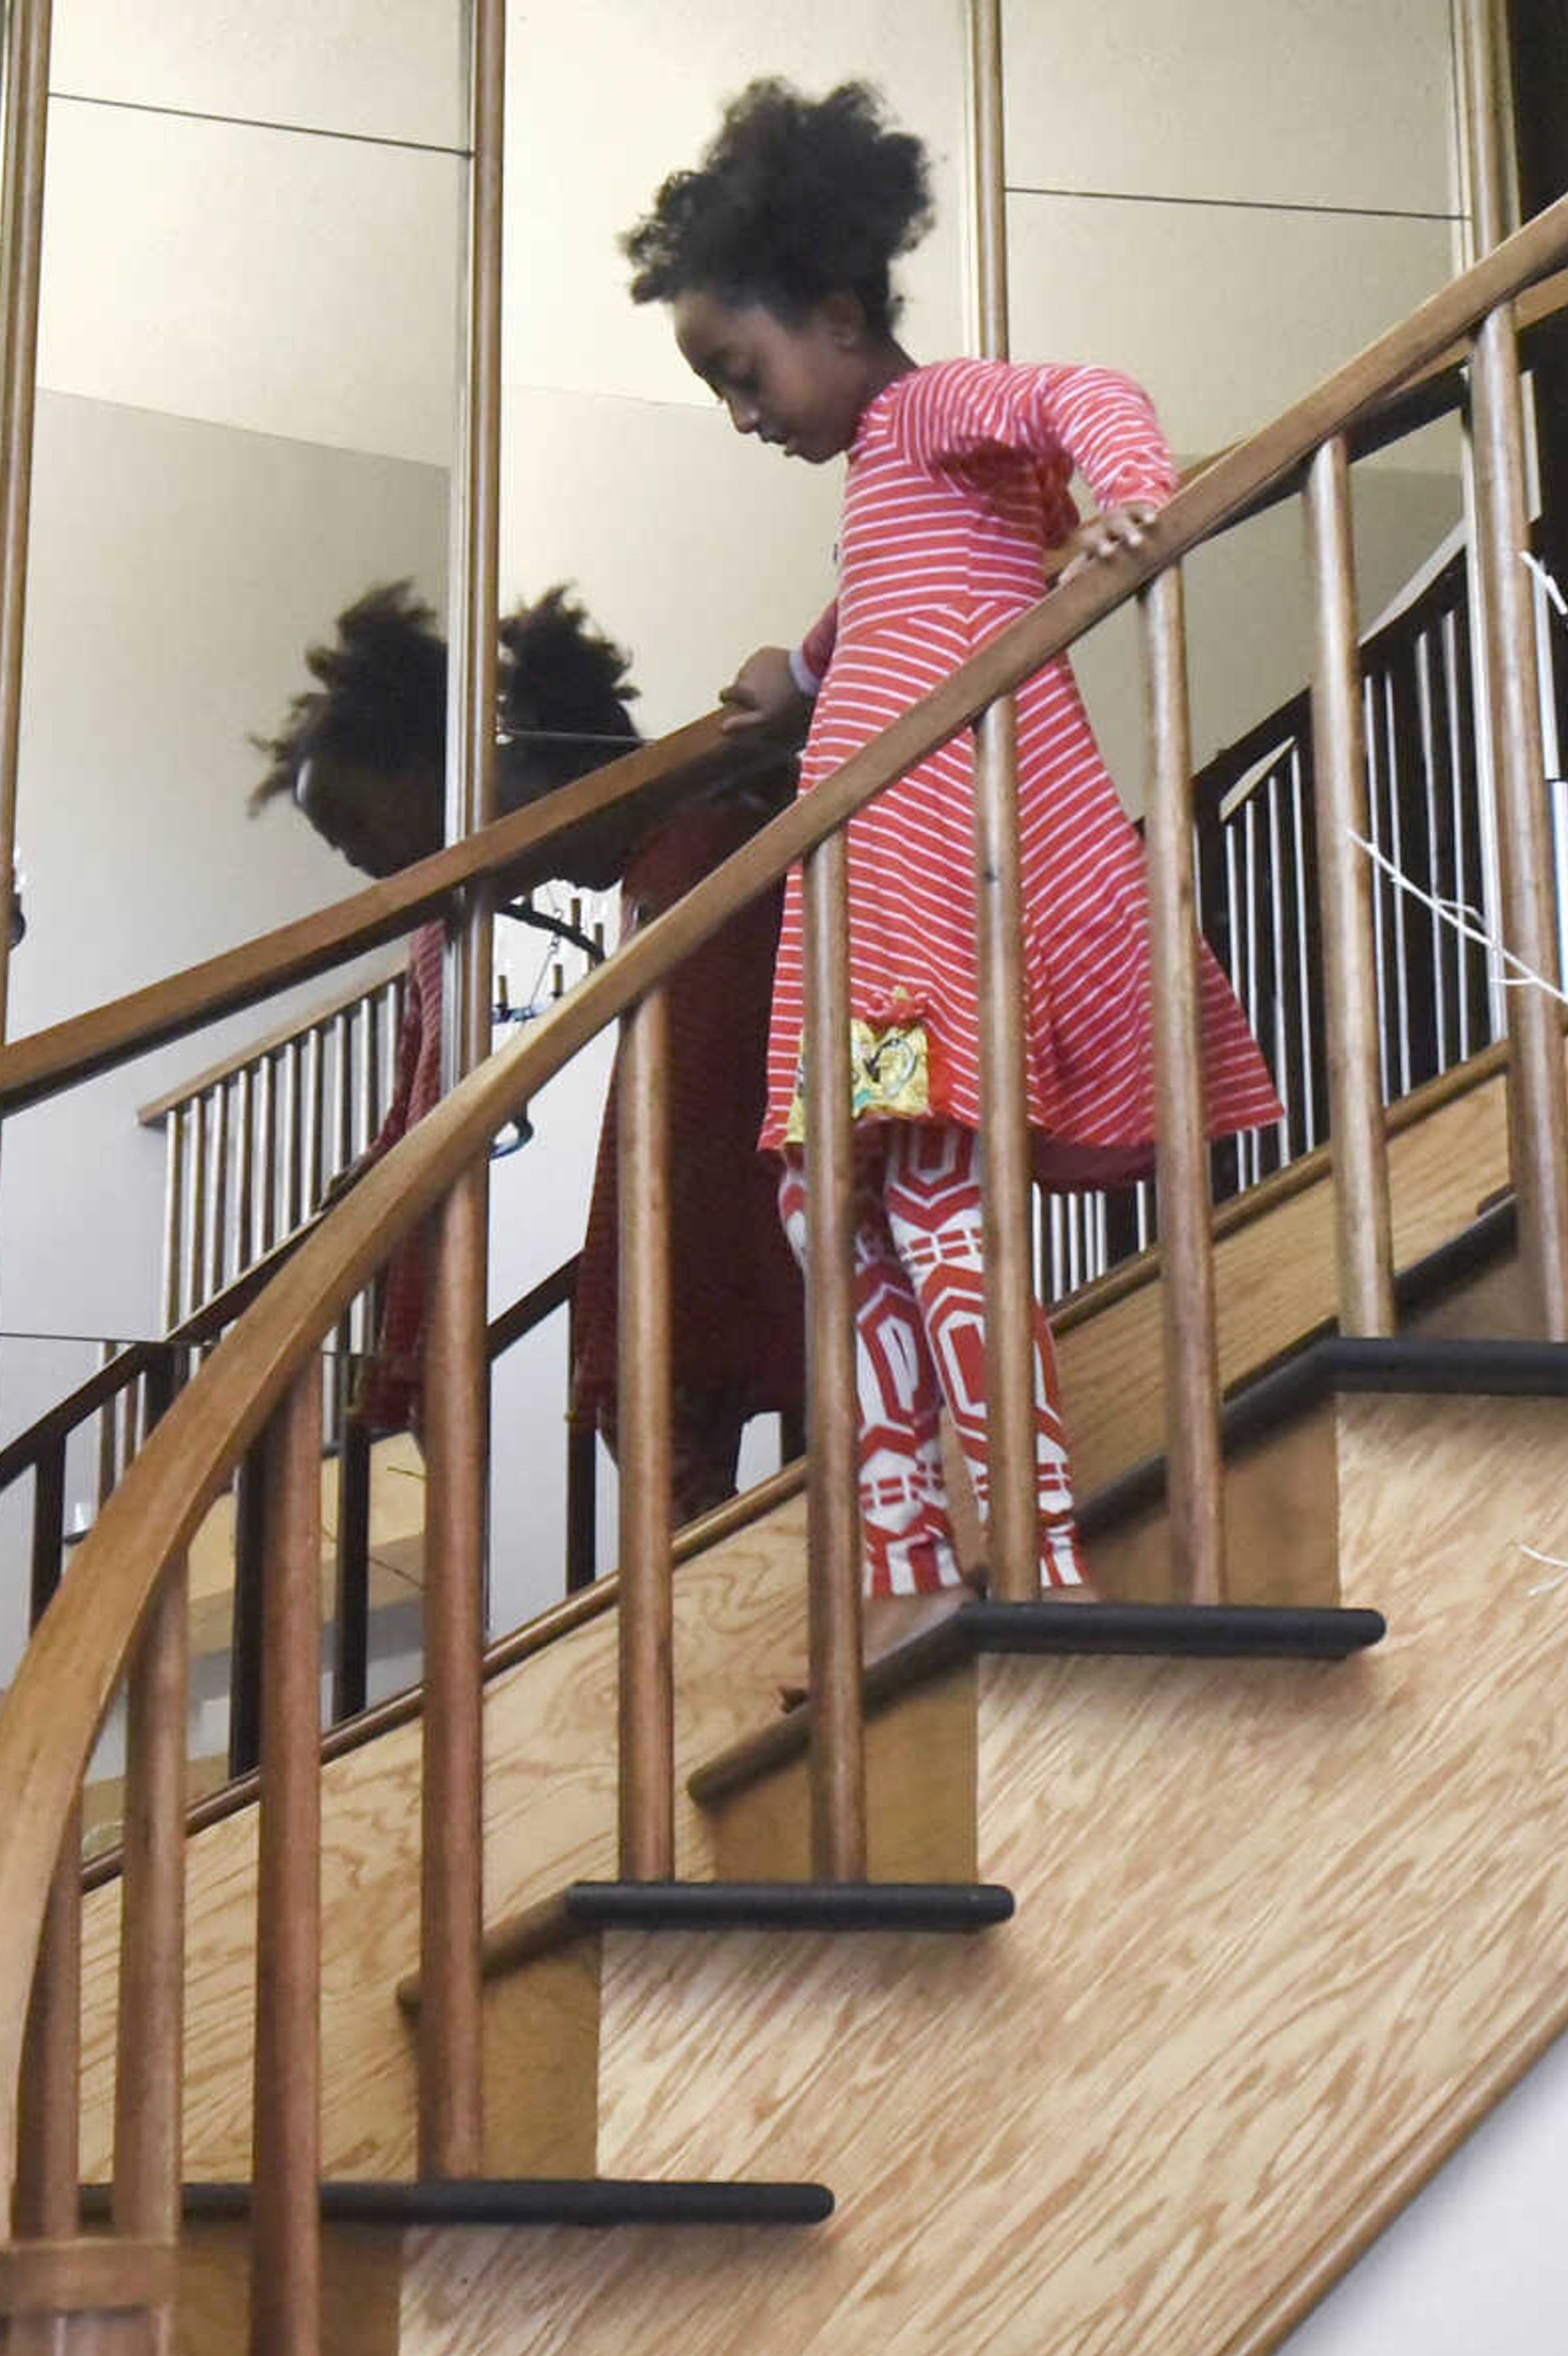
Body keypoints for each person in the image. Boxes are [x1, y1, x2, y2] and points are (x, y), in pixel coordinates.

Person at [624, 78, 1281, 1650]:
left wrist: (1129, 494)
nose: (741, 413)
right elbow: (892, 610)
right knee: (826, 1215)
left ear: (840, 315)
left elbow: (1087, 392)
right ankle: (915, 1571)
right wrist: (796, 666)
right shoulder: (889, 482)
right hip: (867, 907)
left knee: (923, 1208)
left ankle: (1026, 1560)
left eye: (743, 372)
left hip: (935, 898)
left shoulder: (930, 414)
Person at [252, 584, 804, 1515]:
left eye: (356, 825)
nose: (365, 864)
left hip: (726, 1188)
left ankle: (729, 1622)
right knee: (653, 1401)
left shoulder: (700, 851)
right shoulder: (661, 861)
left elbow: (699, 1112)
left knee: (657, 1397)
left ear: (440, 766)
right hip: (708, 1198)